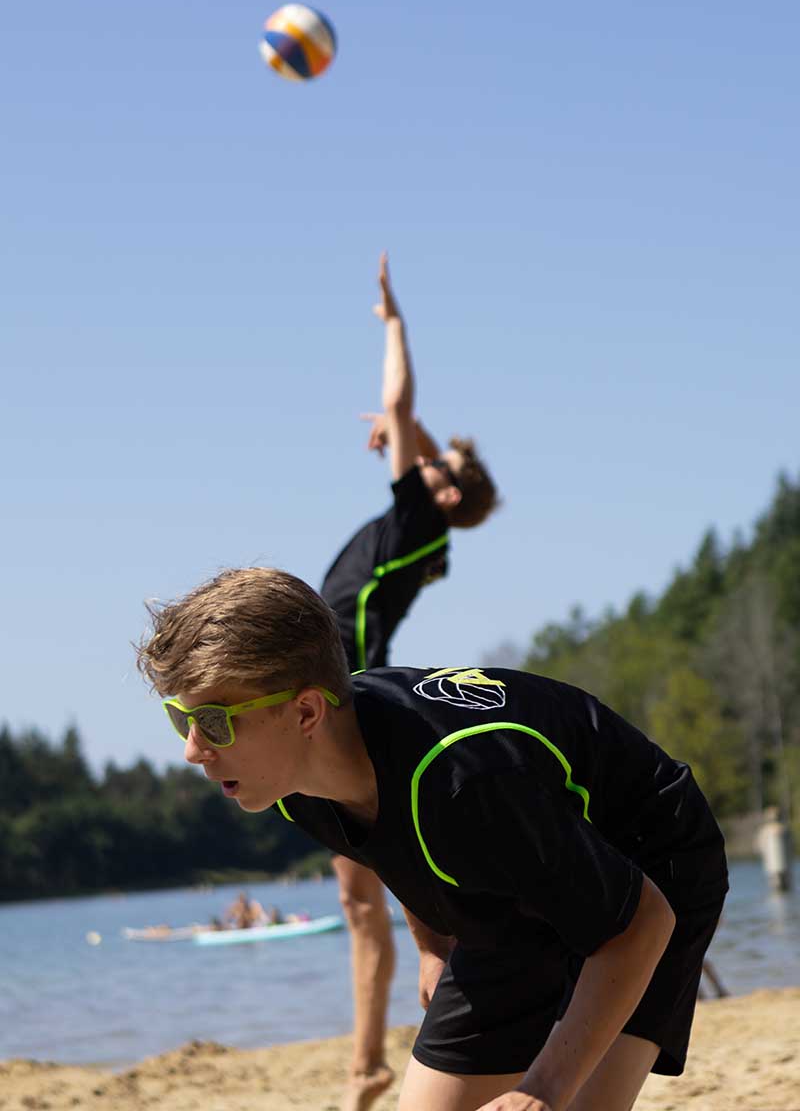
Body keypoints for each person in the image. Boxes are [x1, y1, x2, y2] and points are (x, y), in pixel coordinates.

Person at [139, 568, 729, 1111]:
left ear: (307, 712)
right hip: (509, 878)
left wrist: (542, 1089)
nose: (193, 749)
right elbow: (389, 842)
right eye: (181, 718)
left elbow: (641, 923)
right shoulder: (296, 782)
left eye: (214, 720)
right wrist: (429, 943)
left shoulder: (466, 783)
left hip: (646, 857)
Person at [319, 253, 498, 1110]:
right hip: (339, 687)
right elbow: (416, 431)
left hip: (343, 693)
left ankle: (432, 1039)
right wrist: (414, 439)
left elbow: (402, 409)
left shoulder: (426, 518)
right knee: (364, 904)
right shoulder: (424, 525)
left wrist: (392, 324)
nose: (414, 453)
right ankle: (368, 1069)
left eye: (431, 460)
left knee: (390, 897)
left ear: (447, 488)